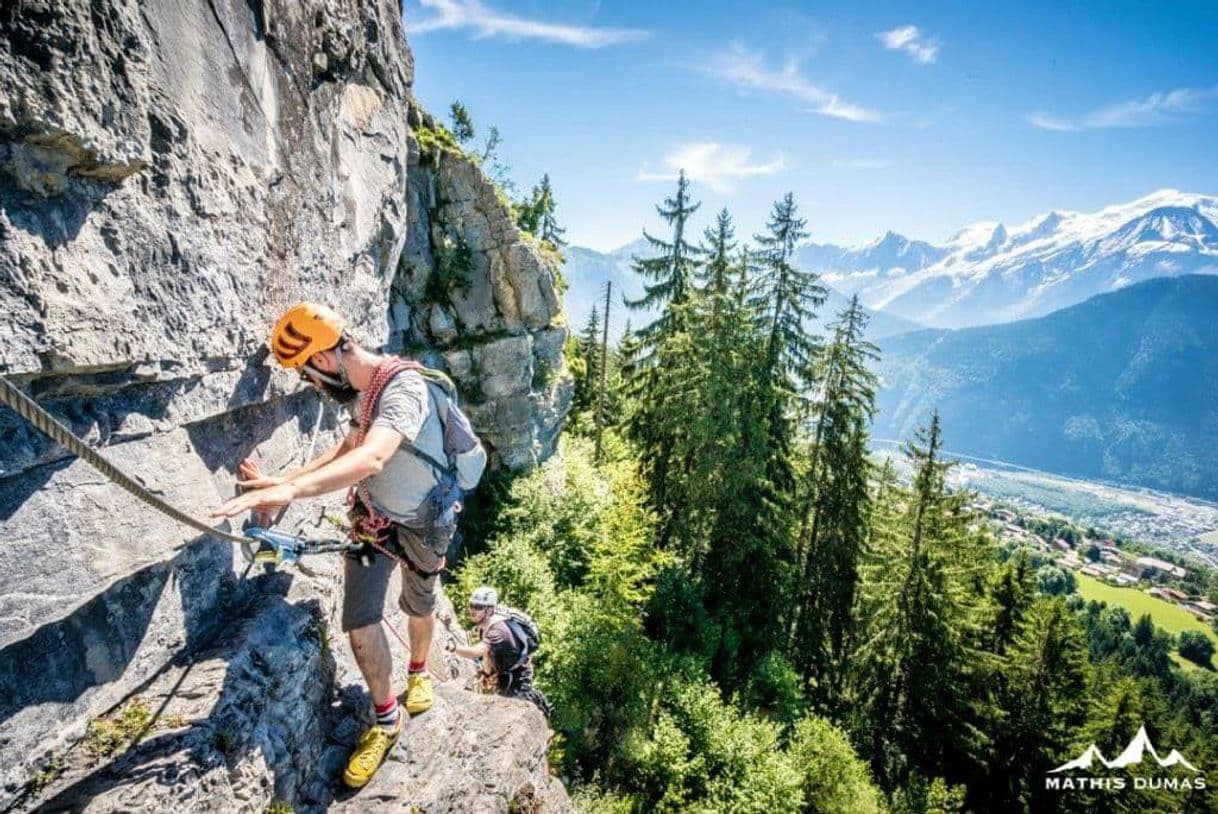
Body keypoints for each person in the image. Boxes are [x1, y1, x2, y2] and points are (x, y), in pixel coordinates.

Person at [211, 302, 485, 789]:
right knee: (359, 620)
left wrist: (290, 492)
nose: (313, 386)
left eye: (308, 375)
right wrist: (284, 479)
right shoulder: (365, 392)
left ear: (323, 359)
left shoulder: (403, 389)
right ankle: (385, 720)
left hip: (426, 523)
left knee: (419, 603)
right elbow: (351, 447)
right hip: (374, 524)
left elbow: (375, 456)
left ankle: (418, 670)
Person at [449, 586, 552, 718]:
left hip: (517, 676)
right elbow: (488, 653)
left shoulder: (498, 631)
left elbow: (475, 652)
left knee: (512, 716)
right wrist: (487, 674)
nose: (473, 610)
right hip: (505, 673)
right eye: (472, 605)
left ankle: (534, 703)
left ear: (490, 609)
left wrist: (452, 647)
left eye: (479, 606)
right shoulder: (485, 625)